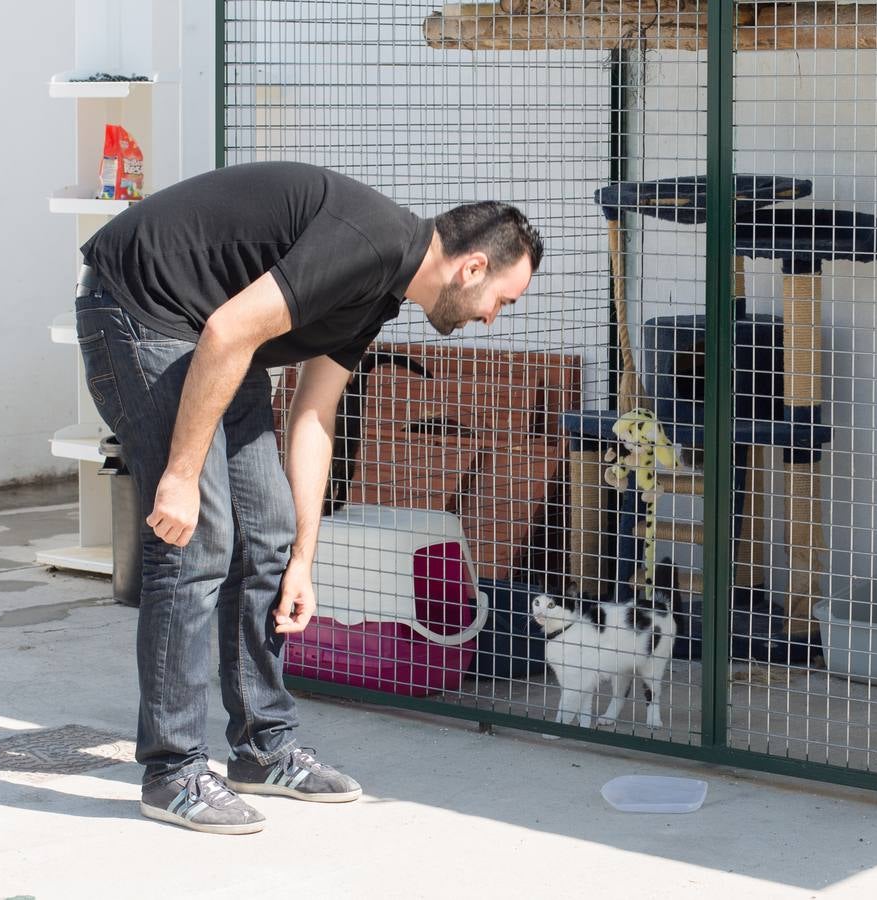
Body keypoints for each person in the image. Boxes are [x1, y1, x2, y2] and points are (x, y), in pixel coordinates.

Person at [74, 161, 542, 834]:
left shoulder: (378, 291)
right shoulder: (371, 242)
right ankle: (172, 769)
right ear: (471, 268)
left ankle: (263, 747)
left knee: (266, 533)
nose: (493, 320)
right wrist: (179, 474)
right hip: (139, 313)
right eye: (503, 300)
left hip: (210, 337)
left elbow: (314, 418)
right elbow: (229, 331)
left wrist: (303, 561)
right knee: (197, 541)